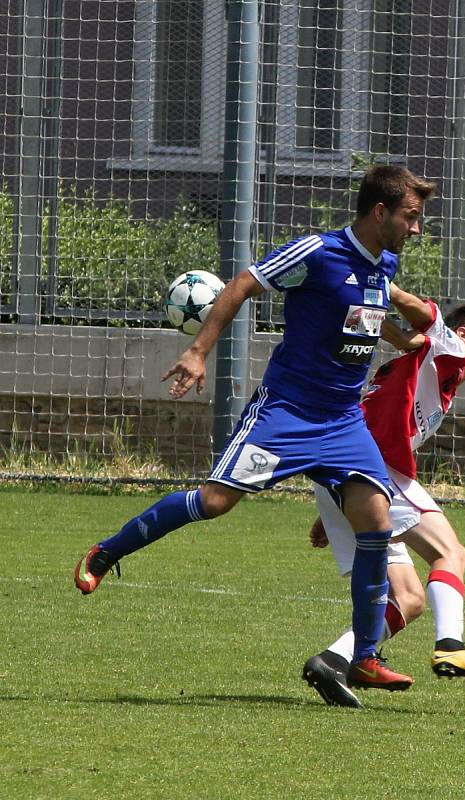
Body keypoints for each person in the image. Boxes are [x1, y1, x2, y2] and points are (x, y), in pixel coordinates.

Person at [74, 165, 437, 694]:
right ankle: (106, 551)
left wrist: (412, 331)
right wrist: (198, 352)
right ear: (380, 211)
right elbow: (245, 282)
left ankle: (364, 656)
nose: (417, 228)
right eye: (411, 217)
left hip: (342, 419)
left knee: (375, 524)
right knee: (215, 503)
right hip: (286, 412)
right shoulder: (316, 252)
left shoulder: (385, 265)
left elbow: (371, 321)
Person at [302, 299, 465, 709]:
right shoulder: (444, 349)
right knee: (450, 553)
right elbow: (422, 313)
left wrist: (333, 508)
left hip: (353, 476)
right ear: (463, 335)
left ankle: (334, 660)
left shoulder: (435, 375)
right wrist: (382, 281)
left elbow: (369, 417)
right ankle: (451, 644)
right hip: (375, 472)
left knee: (410, 599)